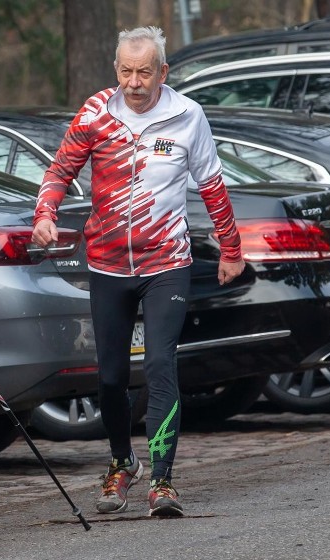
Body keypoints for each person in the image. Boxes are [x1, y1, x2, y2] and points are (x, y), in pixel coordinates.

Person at [32, 26, 245, 517]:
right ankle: (121, 462)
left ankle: (163, 481)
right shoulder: (95, 113)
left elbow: (212, 186)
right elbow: (60, 170)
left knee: (159, 366)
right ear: (115, 70)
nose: (134, 82)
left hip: (166, 262)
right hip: (107, 264)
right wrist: (44, 213)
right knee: (109, 378)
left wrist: (231, 249)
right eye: (126, 71)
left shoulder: (188, 116)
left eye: (144, 72)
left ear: (163, 72)